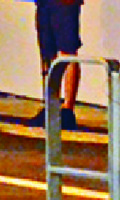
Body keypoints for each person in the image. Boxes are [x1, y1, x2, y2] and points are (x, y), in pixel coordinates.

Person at [27, 0, 83, 131]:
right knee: (47, 53)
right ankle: (50, 105)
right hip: (44, 3)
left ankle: (68, 109)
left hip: (66, 3)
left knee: (68, 52)